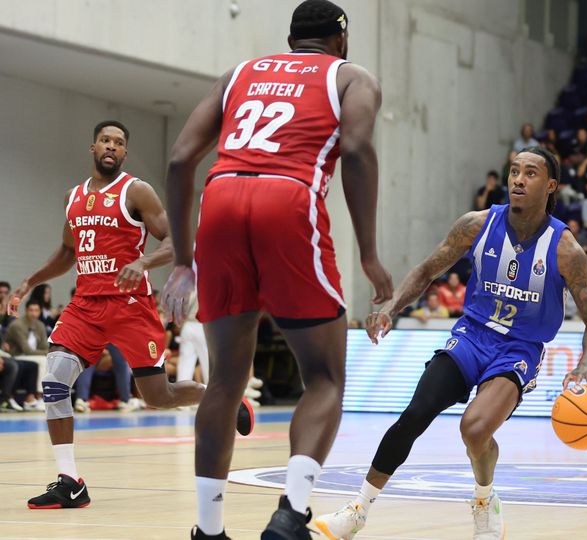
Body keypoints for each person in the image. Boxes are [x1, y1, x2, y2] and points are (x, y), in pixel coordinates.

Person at [160, 2, 394, 538]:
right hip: (288, 199)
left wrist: (180, 260)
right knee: (326, 378)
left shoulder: (239, 73)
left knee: (223, 381)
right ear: (342, 39)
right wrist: (369, 254)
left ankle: (208, 529)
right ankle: (291, 513)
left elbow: (178, 159)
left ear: (290, 39)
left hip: (220, 201)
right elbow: (356, 149)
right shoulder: (351, 76)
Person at [314, 147, 587, 539]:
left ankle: (485, 499)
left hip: (518, 350)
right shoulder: (477, 224)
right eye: (514, 171)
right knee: (415, 413)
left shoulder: (565, 249)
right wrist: (392, 307)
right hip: (472, 336)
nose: (518, 179)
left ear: (550, 185)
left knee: (474, 430)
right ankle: (357, 510)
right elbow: (426, 270)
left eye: (530, 173)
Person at [4, 120, 255, 514]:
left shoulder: (136, 191)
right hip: (86, 305)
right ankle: (70, 482)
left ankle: (221, 395)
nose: (111, 146)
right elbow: (68, 253)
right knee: (54, 381)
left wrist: (144, 260)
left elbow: (176, 242)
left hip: (130, 306)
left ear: (123, 153)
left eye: (119, 143)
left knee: (158, 396)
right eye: (105, 140)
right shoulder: (73, 198)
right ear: (93, 147)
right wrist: (29, 282)